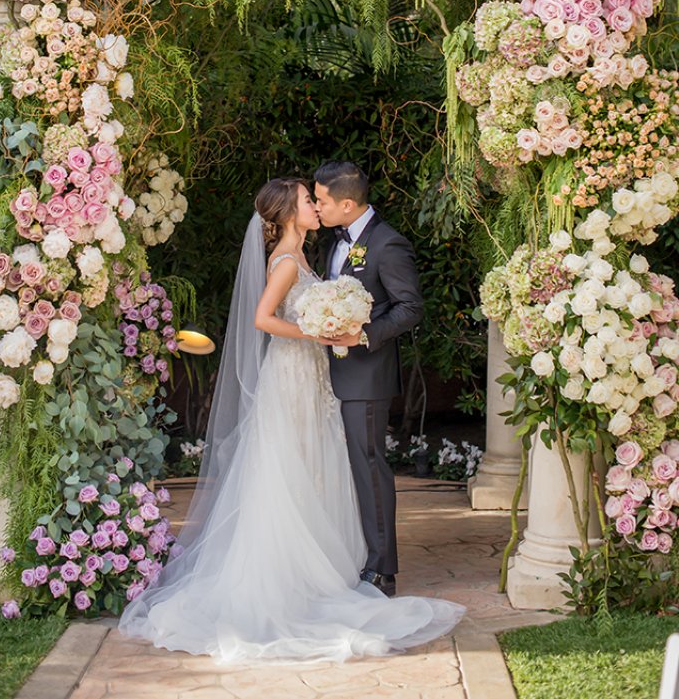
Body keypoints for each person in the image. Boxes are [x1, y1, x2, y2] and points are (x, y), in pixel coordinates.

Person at [119, 177, 463, 662]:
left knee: (314, 465)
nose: (315, 207)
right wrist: (314, 333)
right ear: (286, 213)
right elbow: (263, 318)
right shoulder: (284, 259)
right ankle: (288, 575)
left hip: (314, 375)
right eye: (308, 200)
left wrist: (325, 331)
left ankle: (320, 569)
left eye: (316, 199)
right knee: (289, 466)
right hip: (293, 372)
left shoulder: (306, 256)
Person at [313, 160, 423, 599]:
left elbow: (410, 308)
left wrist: (363, 334)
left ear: (346, 203)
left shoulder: (388, 243)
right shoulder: (333, 243)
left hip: (367, 377)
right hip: (330, 372)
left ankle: (382, 569)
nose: (316, 207)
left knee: (369, 466)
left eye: (321, 200)